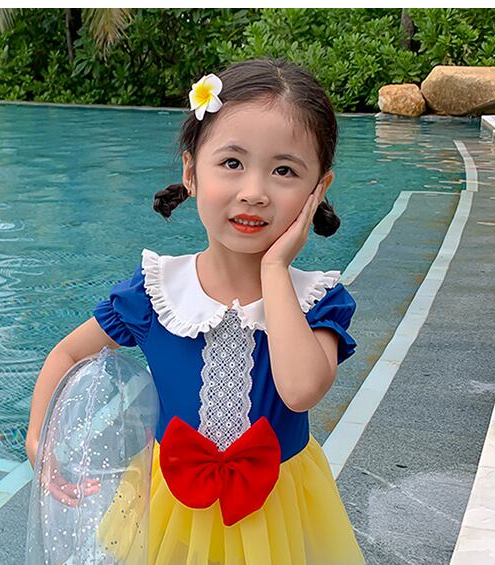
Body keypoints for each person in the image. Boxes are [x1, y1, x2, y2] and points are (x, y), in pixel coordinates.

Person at [26, 58, 365, 565]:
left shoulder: (318, 301)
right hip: (170, 506)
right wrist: (40, 439)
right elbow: (70, 353)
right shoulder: (158, 291)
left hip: (280, 511)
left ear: (319, 189)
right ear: (191, 172)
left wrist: (275, 269)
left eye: (284, 171)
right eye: (232, 163)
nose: (254, 192)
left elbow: (300, 391)